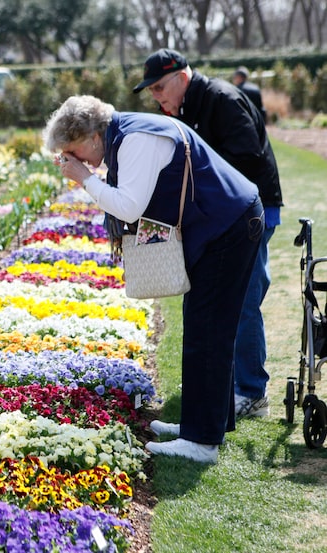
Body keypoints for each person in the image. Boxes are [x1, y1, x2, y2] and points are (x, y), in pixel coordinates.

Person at [44, 95, 264, 463]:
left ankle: (202, 443)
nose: (73, 160)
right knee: (204, 328)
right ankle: (202, 425)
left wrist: (86, 179)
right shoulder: (126, 135)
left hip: (229, 227)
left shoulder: (135, 140)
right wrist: (88, 174)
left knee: (209, 330)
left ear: (93, 136)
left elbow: (129, 205)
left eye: (73, 150)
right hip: (223, 225)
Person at [132, 48, 282, 420]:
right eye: (151, 91)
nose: (157, 96)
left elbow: (248, 158)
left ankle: (251, 392)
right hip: (223, 218)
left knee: (244, 300)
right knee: (216, 299)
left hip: (253, 212)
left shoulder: (222, 99)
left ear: (183, 76)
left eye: (160, 87)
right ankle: (221, 382)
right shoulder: (184, 107)